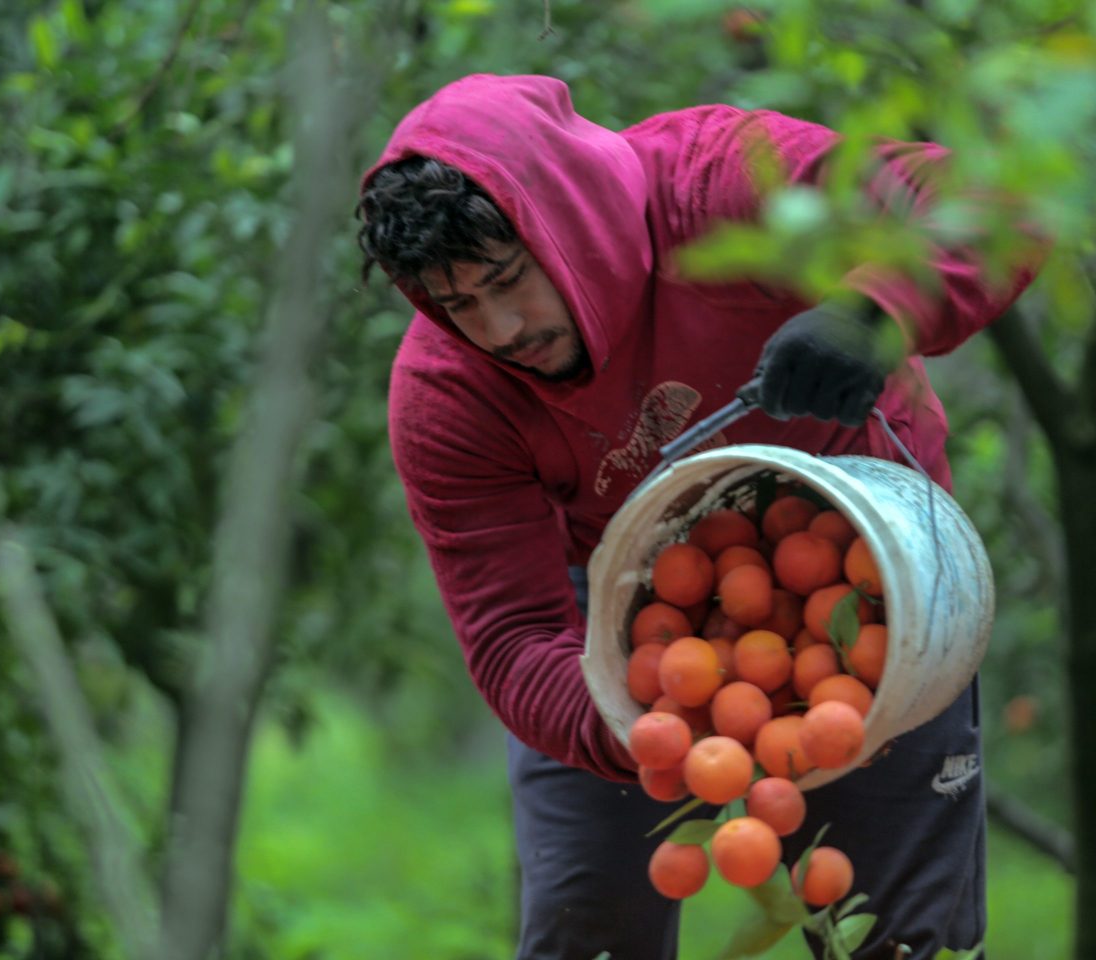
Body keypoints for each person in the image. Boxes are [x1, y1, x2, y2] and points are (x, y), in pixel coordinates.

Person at [355, 73, 1041, 960]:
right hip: (623, 620)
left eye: (506, 279)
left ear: (561, 215)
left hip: (872, 569)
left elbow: (992, 202)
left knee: (905, 936)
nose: (499, 328)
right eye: (457, 305)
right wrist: (645, 724)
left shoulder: (724, 186)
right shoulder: (448, 394)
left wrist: (873, 313)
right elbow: (516, 635)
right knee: (585, 927)